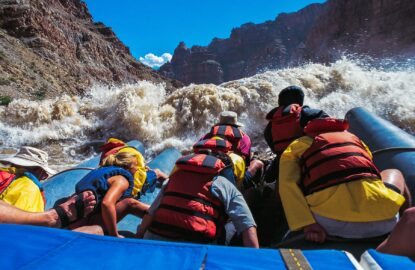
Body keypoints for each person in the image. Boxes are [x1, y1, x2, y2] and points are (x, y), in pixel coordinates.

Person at [279, 116, 411, 243]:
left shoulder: (298, 145)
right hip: (386, 221)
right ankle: (405, 226)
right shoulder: (355, 139)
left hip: (330, 223)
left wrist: (307, 224)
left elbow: (287, 184)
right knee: (393, 172)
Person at [135, 153, 259, 248]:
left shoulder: (173, 179)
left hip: (154, 242)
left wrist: (138, 238)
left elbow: (150, 213)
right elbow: (247, 227)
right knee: (232, 224)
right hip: (196, 250)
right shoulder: (224, 185)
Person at [69, 151, 153, 237]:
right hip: (88, 220)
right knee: (129, 203)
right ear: (128, 167)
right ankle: (157, 215)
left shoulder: (102, 171)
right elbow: (106, 204)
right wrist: (114, 234)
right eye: (136, 165)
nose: (137, 169)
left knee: (129, 202)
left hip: (76, 216)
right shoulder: (122, 180)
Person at [263, 85, 328, 183]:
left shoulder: (271, 125)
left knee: (268, 180)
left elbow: (274, 147)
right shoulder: (307, 113)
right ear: (300, 100)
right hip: (310, 160)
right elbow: (329, 126)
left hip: (286, 163)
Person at [0, 191, 101, 234]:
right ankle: (51, 218)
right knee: (97, 230)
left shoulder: (12, 179)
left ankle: (51, 218)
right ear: (41, 172)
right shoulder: (30, 188)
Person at [0, 146, 56, 212]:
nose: (44, 177)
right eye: (44, 173)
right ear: (38, 170)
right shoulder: (29, 188)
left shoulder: (4, 175)